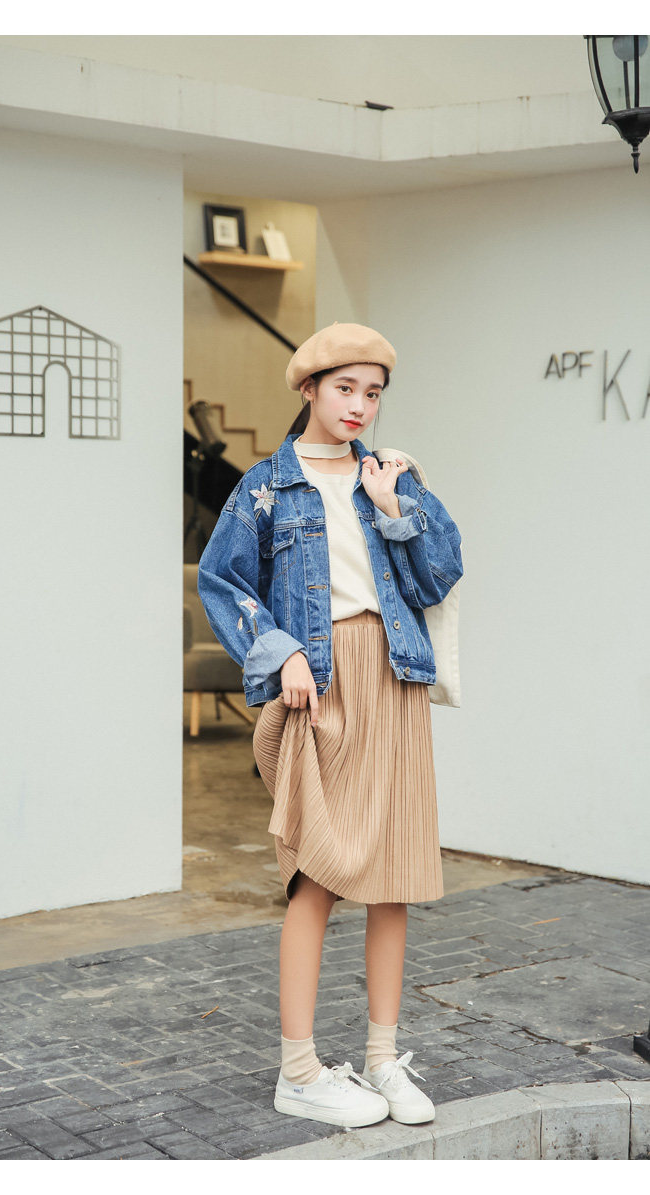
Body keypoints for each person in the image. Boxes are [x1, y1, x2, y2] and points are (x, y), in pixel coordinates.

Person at [196, 322, 464, 1130]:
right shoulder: (266, 487)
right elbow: (223, 580)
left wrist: (393, 509)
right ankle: (300, 1070)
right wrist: (277, 650)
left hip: (396, 678)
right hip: (320, 682)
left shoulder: (392, 477)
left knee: (395, 876)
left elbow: (441, 574)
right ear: (309, 387)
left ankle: (383, 1058)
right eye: (345, 388)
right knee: (314, 874)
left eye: (372, 393)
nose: (359, 406)